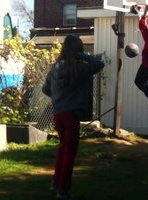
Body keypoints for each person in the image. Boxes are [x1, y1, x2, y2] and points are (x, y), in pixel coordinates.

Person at [42, 35, 105, 200]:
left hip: (58, 114)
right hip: (72, 115)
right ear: (79, 50)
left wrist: (58, 96)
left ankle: (55, 183)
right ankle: (63, 190)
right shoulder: (80, 69)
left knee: (63, 148)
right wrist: (81, 56)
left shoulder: (55, 69)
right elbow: (99, 63)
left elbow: (45, 89)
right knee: (70, 152)